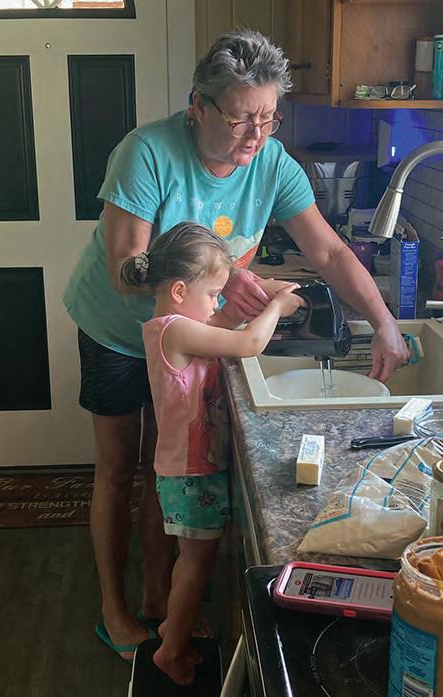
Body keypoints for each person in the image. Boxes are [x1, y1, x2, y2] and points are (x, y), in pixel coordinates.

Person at [63, 28, 409, 659]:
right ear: (198, 105)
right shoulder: (147, 153)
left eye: (269, 118)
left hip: (194, 337)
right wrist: (220, 278)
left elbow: (330, 252)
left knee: (165, 465)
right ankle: (114, 608)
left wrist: (384, 322)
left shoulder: (271, 163)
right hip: (116, 329)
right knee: (117, 469)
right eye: (241, 118)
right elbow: (125, 269)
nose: (256, 135)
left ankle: (159, 599)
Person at [120, 221, 306, 685]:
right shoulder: (172, 330)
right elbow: (247, 344)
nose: (216, 304)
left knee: (195, 559)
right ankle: (170, 652)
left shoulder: (180, 325)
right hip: (189, 472)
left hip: (191, 467)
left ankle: (173, 628)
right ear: (179, 291)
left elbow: (222, 327)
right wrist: (277, 307)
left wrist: (250, 301)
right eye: (213, 294)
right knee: (195, 563)